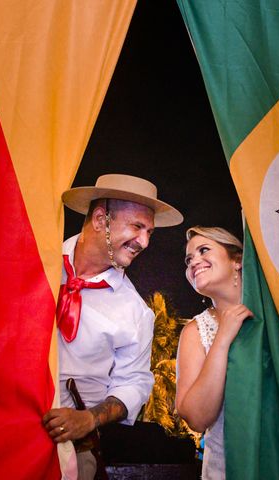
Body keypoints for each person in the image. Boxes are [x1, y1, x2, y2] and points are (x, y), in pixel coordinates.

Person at [43, 174, 183, 479]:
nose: (144, 242)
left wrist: (87, 419)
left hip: (69, 451)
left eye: (149, 232)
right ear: (99, 219)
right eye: (137, 227)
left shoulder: (135, 312)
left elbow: (133, 383)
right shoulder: (36, 262)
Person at [175, 226, 253, 480]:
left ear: (237, 260)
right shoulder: (195, 332)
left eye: (203, 250)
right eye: (189, 259)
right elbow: (197, 418)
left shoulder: (278, 316)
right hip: (227, 469)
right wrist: (222, 339)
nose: (194, 261)